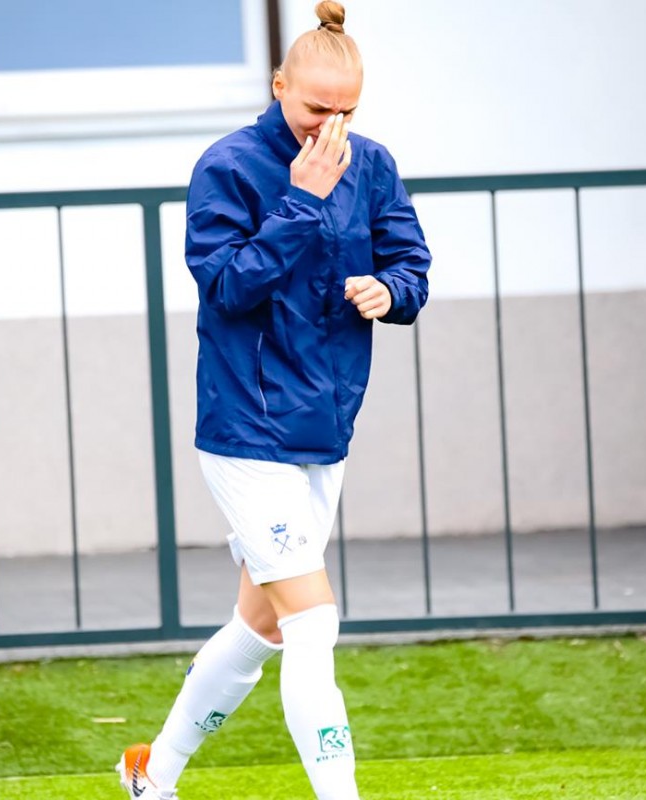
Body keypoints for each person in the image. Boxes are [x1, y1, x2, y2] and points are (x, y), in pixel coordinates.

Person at [117, 3, 430, 798]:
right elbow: (225, 286)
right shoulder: (227, 166)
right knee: (313, 621)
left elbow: (411, 265)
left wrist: (389, 291)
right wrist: (302, 201)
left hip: (325, 428)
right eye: (316, 108)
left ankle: (151, 772)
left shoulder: (373, 164)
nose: (331, 127)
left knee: (260, 627)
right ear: (278, 86)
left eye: (347, 111)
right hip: (245, 430)